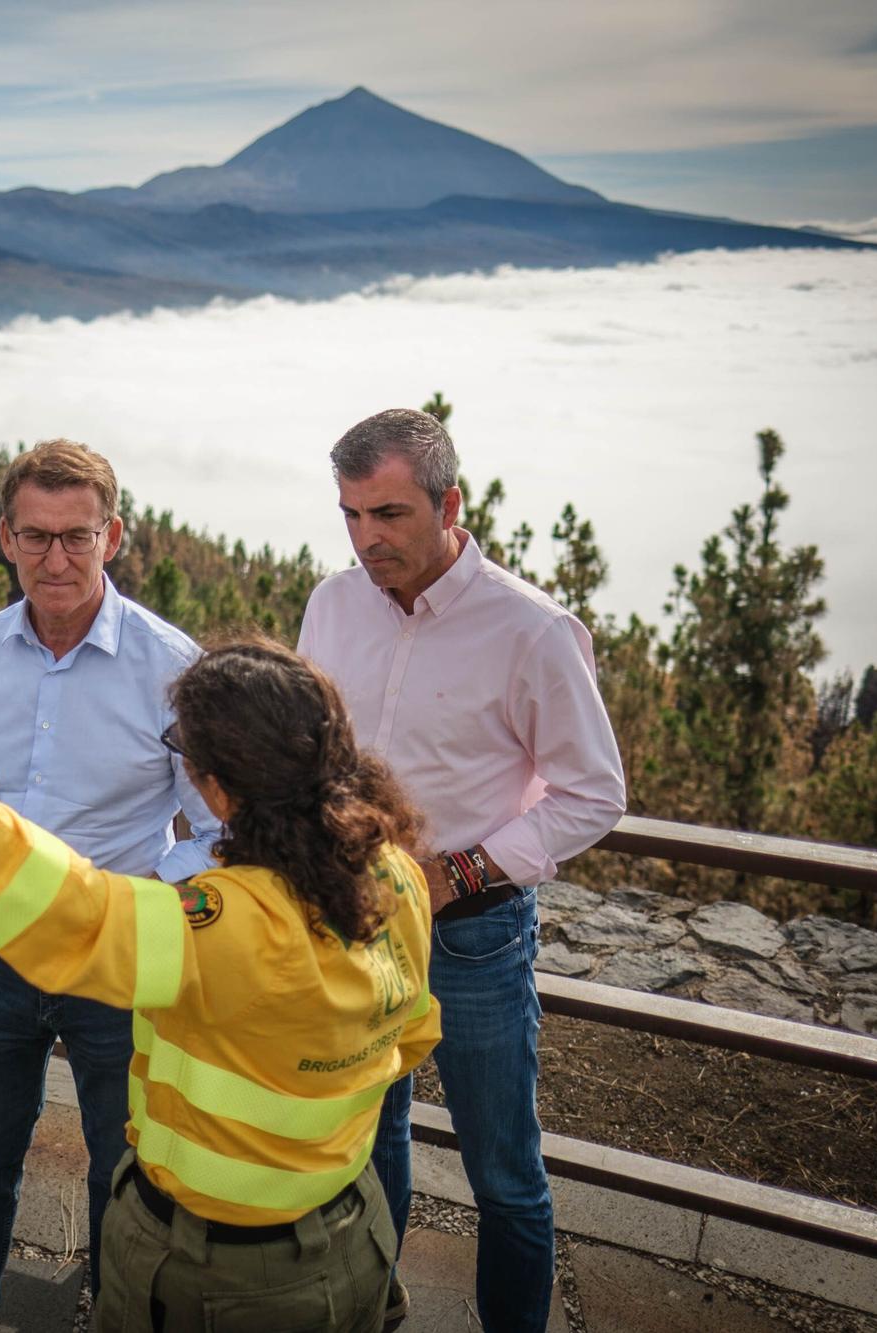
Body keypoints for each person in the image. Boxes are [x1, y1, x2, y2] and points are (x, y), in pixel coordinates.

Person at [0, 629, 440, 1333]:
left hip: (225, 1275)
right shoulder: (396, 877)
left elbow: (67, 910)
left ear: (219, 789)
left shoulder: (226, 926)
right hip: (350, 1233)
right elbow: (410, 1038)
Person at [298, 408, 627, 1332]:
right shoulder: (331, 603)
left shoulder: (532, 630)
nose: (367, 538)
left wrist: (464, 872)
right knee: (372, 1140)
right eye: (351, 515)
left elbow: (594, 793)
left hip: (473, 932)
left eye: (390, 514)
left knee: (505, 1173)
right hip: (356, 913)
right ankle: (375, 1306)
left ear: (450, 504)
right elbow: (316, 750)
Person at [0, 440, 223, 1333]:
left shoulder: (168, 662)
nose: (56, 559)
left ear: (112, 536)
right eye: (35, 537)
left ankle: (120, 1319)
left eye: (77, 536)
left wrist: (156, 904)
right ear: (5, 537)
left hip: (118, 957)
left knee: (126, 1167)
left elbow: (213, 825)